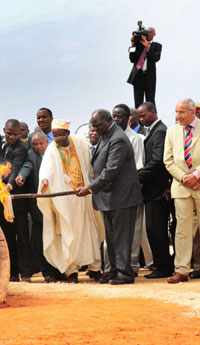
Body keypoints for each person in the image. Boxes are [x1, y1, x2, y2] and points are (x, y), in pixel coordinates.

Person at [76, 110, 143, 285]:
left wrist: (90, 188)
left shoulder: (118, 138)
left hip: (122, 197)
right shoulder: (107, 134)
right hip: (109, 197)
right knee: (112, 238)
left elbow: (112, 169)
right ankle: (114, 270)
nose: (95, 129)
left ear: (108, 121)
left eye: (97, 125)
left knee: (121, 237)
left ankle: (125, 274)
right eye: (93, 126)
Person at [38, 119, 103, 283]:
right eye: (55, 136)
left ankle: (95, 268)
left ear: (67, 133)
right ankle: (71, 271)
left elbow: (89, 162)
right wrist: (44, 180)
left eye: (61, 135)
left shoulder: (79, 142)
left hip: (84, 195)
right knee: (69, 233)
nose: (58, 139)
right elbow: (47, 167)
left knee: (90, 232)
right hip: (66, 200)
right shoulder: (52, 149)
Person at [16, 132, 62, 282]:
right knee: (43, 239)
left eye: (41, 143)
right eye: (34, 144)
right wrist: (21, 176)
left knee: (58, 238)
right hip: (39, 207)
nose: (38, 147)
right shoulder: (31, 155)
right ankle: (47, 271)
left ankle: (60, 270)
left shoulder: (55, 151)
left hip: (57, 203)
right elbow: (27, 167)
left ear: (47, 142)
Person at [163, 98, 200, 283]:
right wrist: (185, 177)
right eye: (176, 112)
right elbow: (168, 160)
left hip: (199, 183)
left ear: (192, 112)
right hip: (181, 186)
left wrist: (197, 175)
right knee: (182, 231)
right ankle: (182, 270)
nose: (178, 116)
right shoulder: (171, 132)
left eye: (182, 112)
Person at [136, 101, 174, 278]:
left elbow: (158, 160)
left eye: (144, 115)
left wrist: (138, 177)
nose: (141, 119)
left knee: (157, 228)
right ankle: (162, 264)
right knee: (152, 228)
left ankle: (164, 266)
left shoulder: (160, 131)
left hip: (158, 190)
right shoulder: (151, 131)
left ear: (153, 112)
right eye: (139, 116)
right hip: (151, 190)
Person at [112, 104, 146, 274]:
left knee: (134, 230)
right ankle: (114, 265)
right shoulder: (108, 138)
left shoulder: (136, 139)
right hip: (112, 193)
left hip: (130, 191)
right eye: (114, 116)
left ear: (129, 119)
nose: (116, 120)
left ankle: (131, 265)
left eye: (120, 117)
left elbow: (139, 167)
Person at [1, 119, 31, 282]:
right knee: (8, 235)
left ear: (20, 133)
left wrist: (9, 186)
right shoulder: (3, 146)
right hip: (4, 199)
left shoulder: (21, 148)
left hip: (17, 198)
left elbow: (16, 168)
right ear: (4, 131)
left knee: (22, 234)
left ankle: (25, 272)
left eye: (14, 134)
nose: (11, 137)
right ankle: (13, 272)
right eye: (8, 133)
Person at [127, 26, 161, 108]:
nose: (147, 34)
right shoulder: (138, 45)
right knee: (138, 101)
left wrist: (147, 47)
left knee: (150, 101)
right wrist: (133, 44)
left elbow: (155, 58)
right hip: (138, 76)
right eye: (146, 32)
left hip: (149, 76)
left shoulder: (157, 46)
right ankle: (138, 120)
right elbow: (132, 59)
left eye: (150, 32)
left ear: (154, 34)